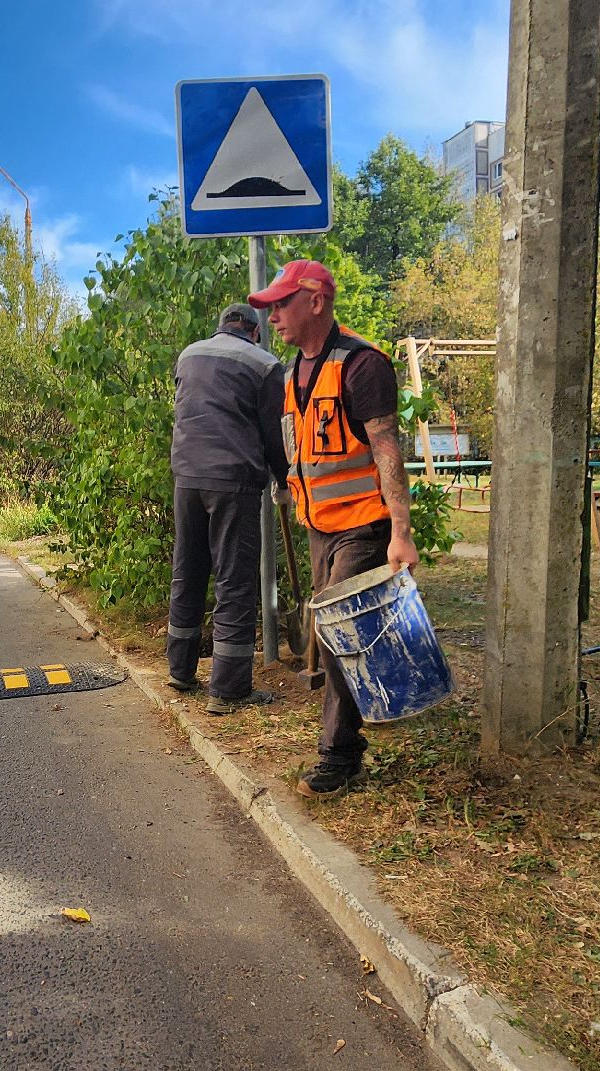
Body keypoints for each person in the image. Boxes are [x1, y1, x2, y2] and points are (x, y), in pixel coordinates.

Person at [249, 260, 419, 798]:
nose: (273, 315)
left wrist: (401, 530)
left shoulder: (362, 365)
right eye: (269, 306)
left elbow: (386, 450)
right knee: (340, 635)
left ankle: (340, 756)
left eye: (282, 303)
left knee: (339, 635)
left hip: (363, 525)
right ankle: (387, 700)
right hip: (320, 525)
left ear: (317, 300)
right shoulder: (293, 371)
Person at [166, 303, 290, 714]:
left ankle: (180, 671)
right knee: (234, 581)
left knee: (188, 570)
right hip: (233, 482)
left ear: (219, 327)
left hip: (186, 477)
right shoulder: (264, 364)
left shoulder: (189, 354)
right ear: (255, 332)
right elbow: (274, 432)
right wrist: (282, 478)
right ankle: (229, 690)